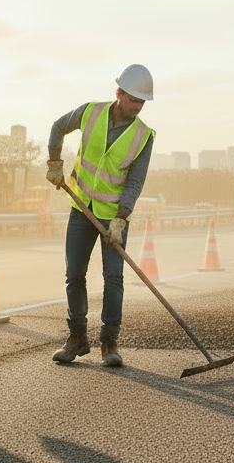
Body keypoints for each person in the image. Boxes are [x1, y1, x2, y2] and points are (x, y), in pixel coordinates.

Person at [45, 64, 155, 368]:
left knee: (114, 278)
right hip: (81, 207)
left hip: (113, 217)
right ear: (119, 92)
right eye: (133, 99)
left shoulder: (144, 136)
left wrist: (120, 220)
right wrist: (54, 163)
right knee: (74, 274)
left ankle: (109, 343)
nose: (137, 106)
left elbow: (135, 182)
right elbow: (57, 127)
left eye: (142, 102)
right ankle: (77, 338)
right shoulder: (90, 112)